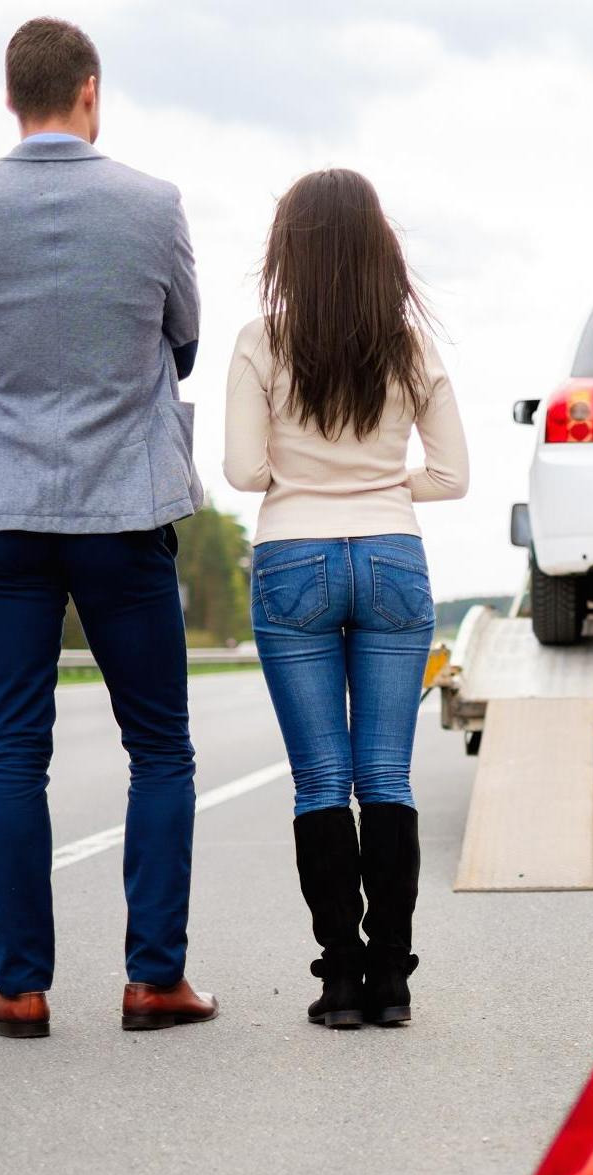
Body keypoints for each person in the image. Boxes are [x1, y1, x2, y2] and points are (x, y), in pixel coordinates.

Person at [0, 17, 217, 1037]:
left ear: (12, 97)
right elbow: (182, 336)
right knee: (161, 749)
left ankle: (18, 988)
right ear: (89, 91)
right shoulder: (152, 204)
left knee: (14, 750)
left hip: (0, 508)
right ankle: (153, 980)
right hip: (121, 508)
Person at [224, 168, 469, 1029]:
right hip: (393, 556)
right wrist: (379, 485)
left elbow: (245, 472)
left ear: (287, 251)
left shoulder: (262, 341)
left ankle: (339, 980)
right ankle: (393, 983)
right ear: (380, 251)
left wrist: (309, 480)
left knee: (320, 780)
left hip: (293, 556)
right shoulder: (409, 346)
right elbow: (452, 476)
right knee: (387, 776)